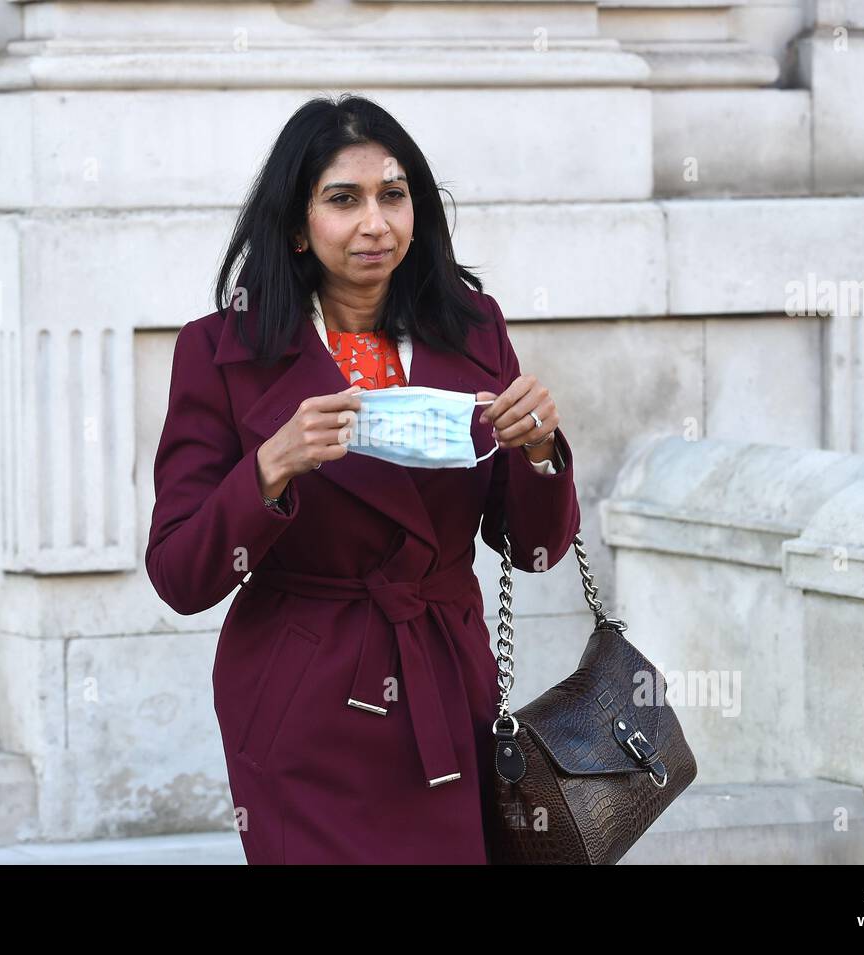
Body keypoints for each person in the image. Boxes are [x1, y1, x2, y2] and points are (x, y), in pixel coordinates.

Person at [145, 94, 580, 864]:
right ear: (296, 224)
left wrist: (539, 450)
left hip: (447, 680)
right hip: (298, 702)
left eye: (393, 194)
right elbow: (180, 574)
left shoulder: (473, 328)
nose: (374, 223)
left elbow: (535, 550)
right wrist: (270, 467)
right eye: (343, 199)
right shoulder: (220, 351)